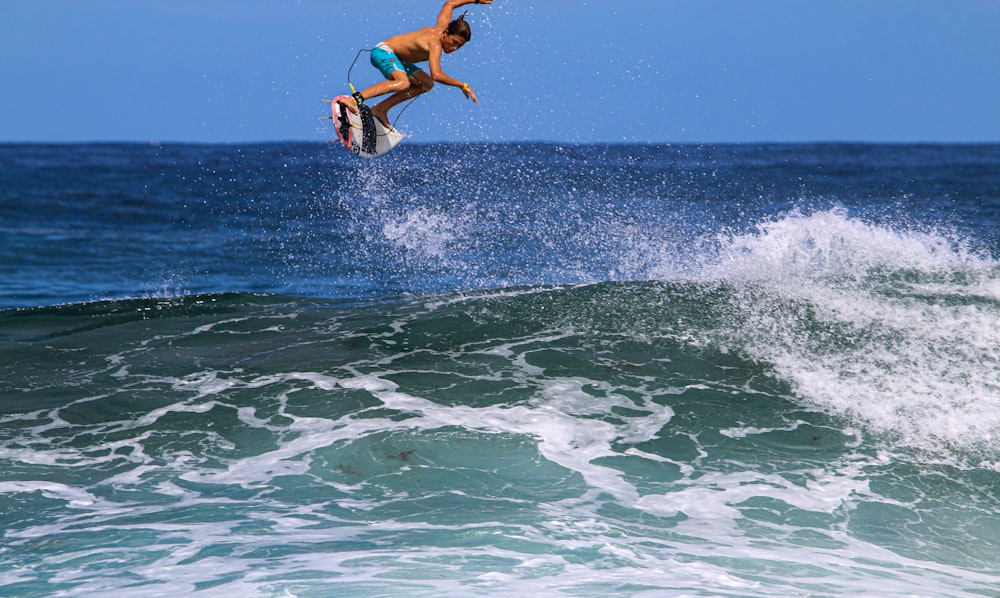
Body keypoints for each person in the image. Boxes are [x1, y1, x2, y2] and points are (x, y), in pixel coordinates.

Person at [336, 0, 493, 130]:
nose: (454, 48)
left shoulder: (441, 27)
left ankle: (380, 109)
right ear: (447, 33)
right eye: (454, 42)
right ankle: (354, 99)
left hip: (399, 59)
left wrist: (476, 1)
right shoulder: (435, 45)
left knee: (425, 84)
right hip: (384, 52)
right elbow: (437, 74)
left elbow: (449, 5)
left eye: (459, 46)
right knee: (402, 83)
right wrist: (462, 85)